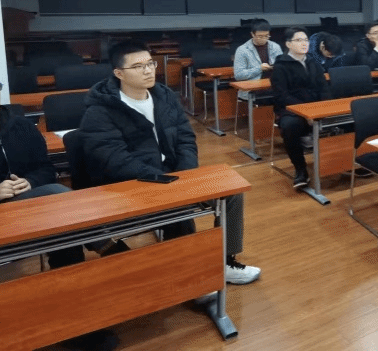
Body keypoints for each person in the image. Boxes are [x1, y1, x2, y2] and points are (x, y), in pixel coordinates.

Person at [0, 54, 122, 350]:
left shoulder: (20, 127)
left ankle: (76, 320)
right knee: (58, 200)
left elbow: (45, 170)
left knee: (62, 220)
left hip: (23, 213)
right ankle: (109, 247)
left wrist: (30, 182)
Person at [79, 40, 261, 285]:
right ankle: (187, 278)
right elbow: (114, 159)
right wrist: (164, 181)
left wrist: (185, 173)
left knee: (231, 193)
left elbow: (185, 137)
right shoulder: (100, 110)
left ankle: (224, 260)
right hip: (132, 184)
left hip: (175, 176)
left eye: (150, 64)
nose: (148, 70)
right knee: (179, 213)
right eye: (138, 67)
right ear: (119, 73)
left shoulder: (164, 96)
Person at [271, 27, 330, 189]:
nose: (304, 43)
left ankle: (344, 162)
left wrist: (322, 108)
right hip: (291, 110)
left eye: (306, 40)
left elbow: (324, 88)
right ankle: (300, 169)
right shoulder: (280, 66)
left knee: (347, 120)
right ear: (288, 44)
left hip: (316, 109)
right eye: (299, 40)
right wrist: (305, 113)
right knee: (290, 126)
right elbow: (282, 96)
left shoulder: (313, 62)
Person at [233, 20, 283, 100]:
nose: (264, 39)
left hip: (274, 87)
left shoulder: (275, 47)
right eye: (260, 36)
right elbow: (239, 75)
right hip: (253, 90)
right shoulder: (242, 50)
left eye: (266, 36)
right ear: (252, 34)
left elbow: (283, 68)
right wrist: (259, 68)